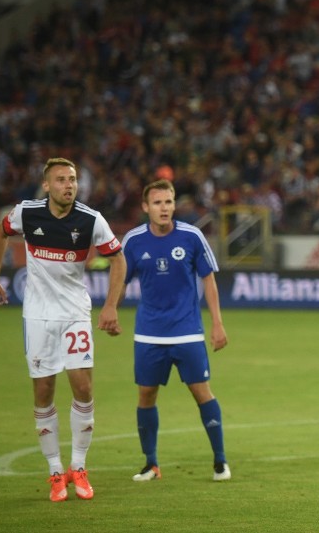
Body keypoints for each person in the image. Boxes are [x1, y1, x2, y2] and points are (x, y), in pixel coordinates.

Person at [0, 157, 125, 502]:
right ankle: (54, 470)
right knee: (44, 390)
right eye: (61, 179)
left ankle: (78, 466)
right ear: (46, 185)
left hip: (75, 313)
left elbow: (118, 259)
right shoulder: (27, 213)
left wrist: (110, 305)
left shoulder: (91, 220)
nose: (69, 185)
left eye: (73, 179)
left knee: (82, 385)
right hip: (37, 316)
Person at [120, 179, 230, 482]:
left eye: (168, 202)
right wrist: (110, 309)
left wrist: (217, 323)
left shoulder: (192, 236)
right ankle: (151, 464)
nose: (164, 208)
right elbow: (121, 278)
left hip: (188, 331)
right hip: (148, 333)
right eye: (157, 203)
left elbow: (208, 279)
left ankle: (220, 461)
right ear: (146, 208)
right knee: (146, 395)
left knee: (201, 392)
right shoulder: (133, 241)